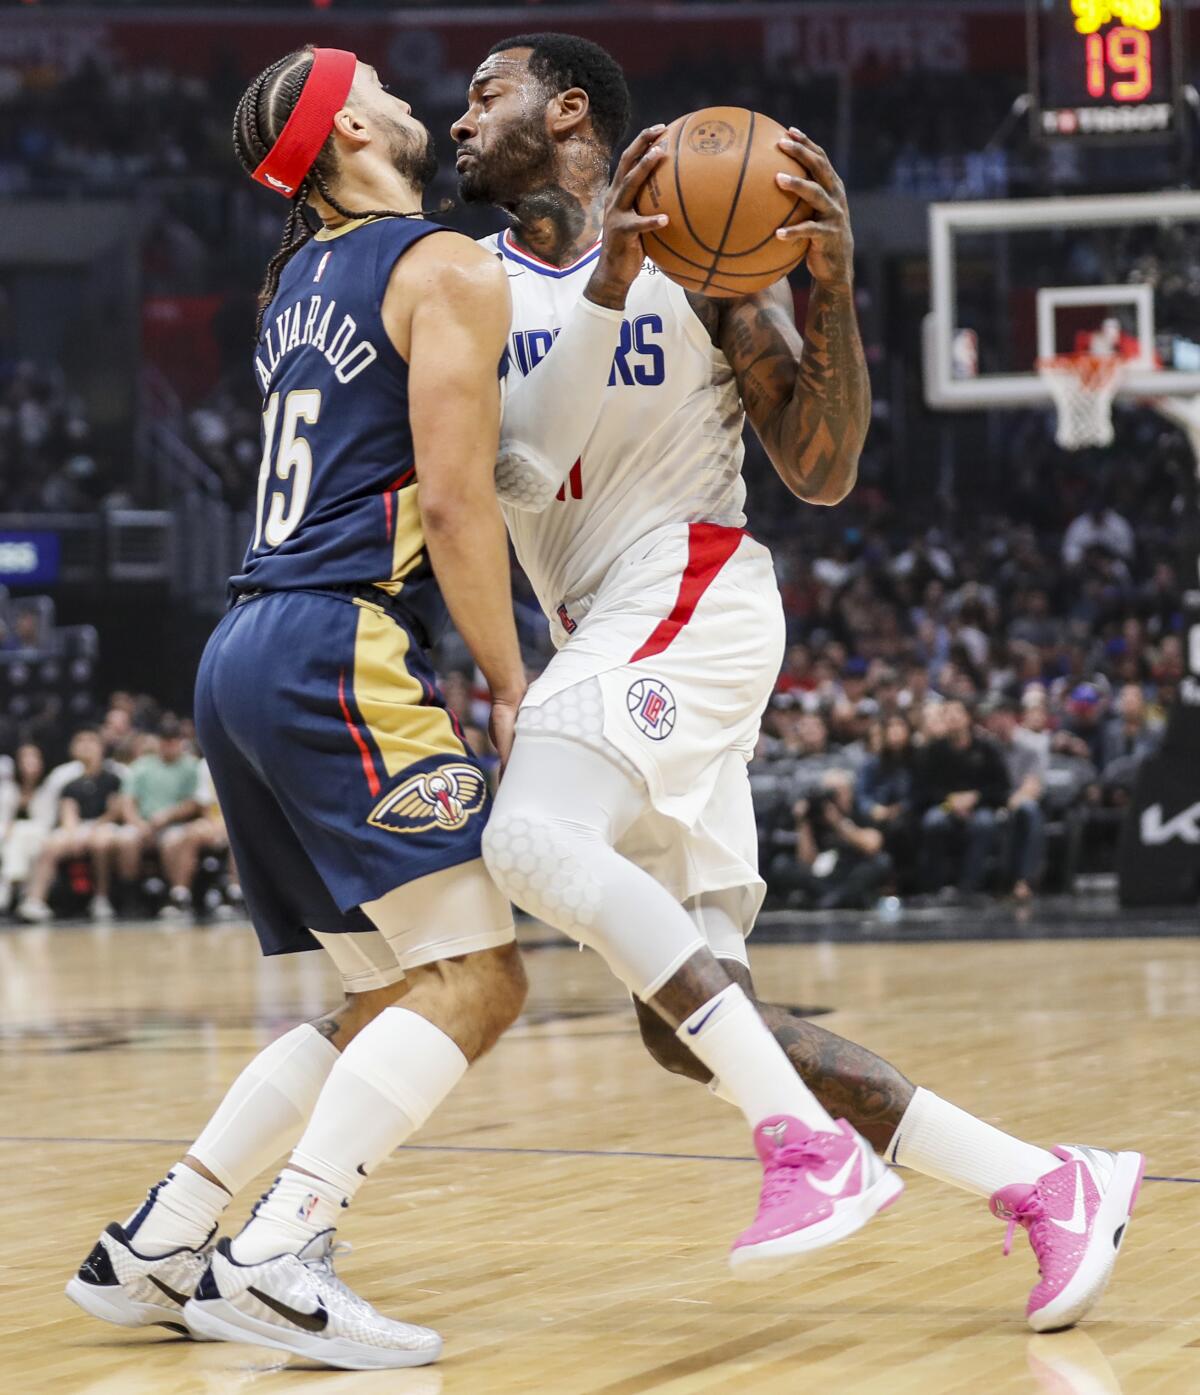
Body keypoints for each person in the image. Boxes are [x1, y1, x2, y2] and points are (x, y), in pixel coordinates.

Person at [454, 31, 1142, 1329]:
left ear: (572, 109)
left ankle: (811, 1152)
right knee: (693, 1018)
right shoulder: (467, 287)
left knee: (530, 836)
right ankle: (1051, 1180)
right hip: (603, 633)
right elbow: (502, 483)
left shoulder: (714, 257)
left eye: (484, 94)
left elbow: (820, 468)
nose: (459, 121)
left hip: (690, 595)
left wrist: (827, 293)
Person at [67, 46, 526, 1371]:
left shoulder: (294, 284)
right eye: (380, 86)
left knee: (387, 992)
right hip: (337, 640)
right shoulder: (442, 264)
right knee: (481, 980)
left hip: (247, 646)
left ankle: (164, 1234)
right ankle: (278, 1251)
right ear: (343, 135)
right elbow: (452, 502)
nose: (408, 101)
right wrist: (512, 678)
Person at [17, 730, 122, 922]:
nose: (87, 746)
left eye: (91, 741)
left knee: (101, 842)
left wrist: (94, 829)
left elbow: (115, 811)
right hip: (77, 828)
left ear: (102, 747)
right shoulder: (66, 779)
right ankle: (35, 901)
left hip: (106, 826)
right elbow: (67, 813)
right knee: (51, 845)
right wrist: (73, 834)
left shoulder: (114, 775)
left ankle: (101, 899)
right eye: (81, 741)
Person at [106, 716, 201, 919]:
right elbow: (127, 801)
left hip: (175, 823)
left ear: (180, 742)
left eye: (173, 740)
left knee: (174, 841)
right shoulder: (141, 766)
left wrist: (168, 815)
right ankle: (130, 898)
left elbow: (194, 803)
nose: (169, 745)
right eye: (165, 740)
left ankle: (175, 897)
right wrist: (137, 824)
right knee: (125, 840)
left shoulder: (191, 766)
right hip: (143, 823)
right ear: (158, 742)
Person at [915, 698, 1009, 897]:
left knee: (984, 824)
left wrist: (976, 797)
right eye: (946, 713)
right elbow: (924, 790)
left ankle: (969, 886)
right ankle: (935, 886)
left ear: (967, 717)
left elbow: (1001, 788)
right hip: (945, 806)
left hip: (980, 806)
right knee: (934, 821)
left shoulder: (987, 748)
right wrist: (951, 801)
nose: (951, 718)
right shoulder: (932, 751)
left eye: (956, 712)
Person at [984, 699, 1047, 901]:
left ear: (1011, 717)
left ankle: (1024, 880)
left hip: (1019, 801)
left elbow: (1033, 786)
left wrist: (1013, 800)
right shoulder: (988, 748)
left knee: (1028, 810)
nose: (997, 722)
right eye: (993, 718)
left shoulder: (1031, 746)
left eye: (1001, 716)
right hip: (992, 801)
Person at [1, 743, 55, 915]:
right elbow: (3, 819)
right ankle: (20, 892)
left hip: (37, 837)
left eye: (34, 757)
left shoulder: (48, 788)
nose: (29, 762)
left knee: (23, 837)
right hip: (12, 839)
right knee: (13, 839)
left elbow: (47, 823)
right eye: (25, 758)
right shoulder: (8, 789)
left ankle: (8, 886)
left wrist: (15, 827)